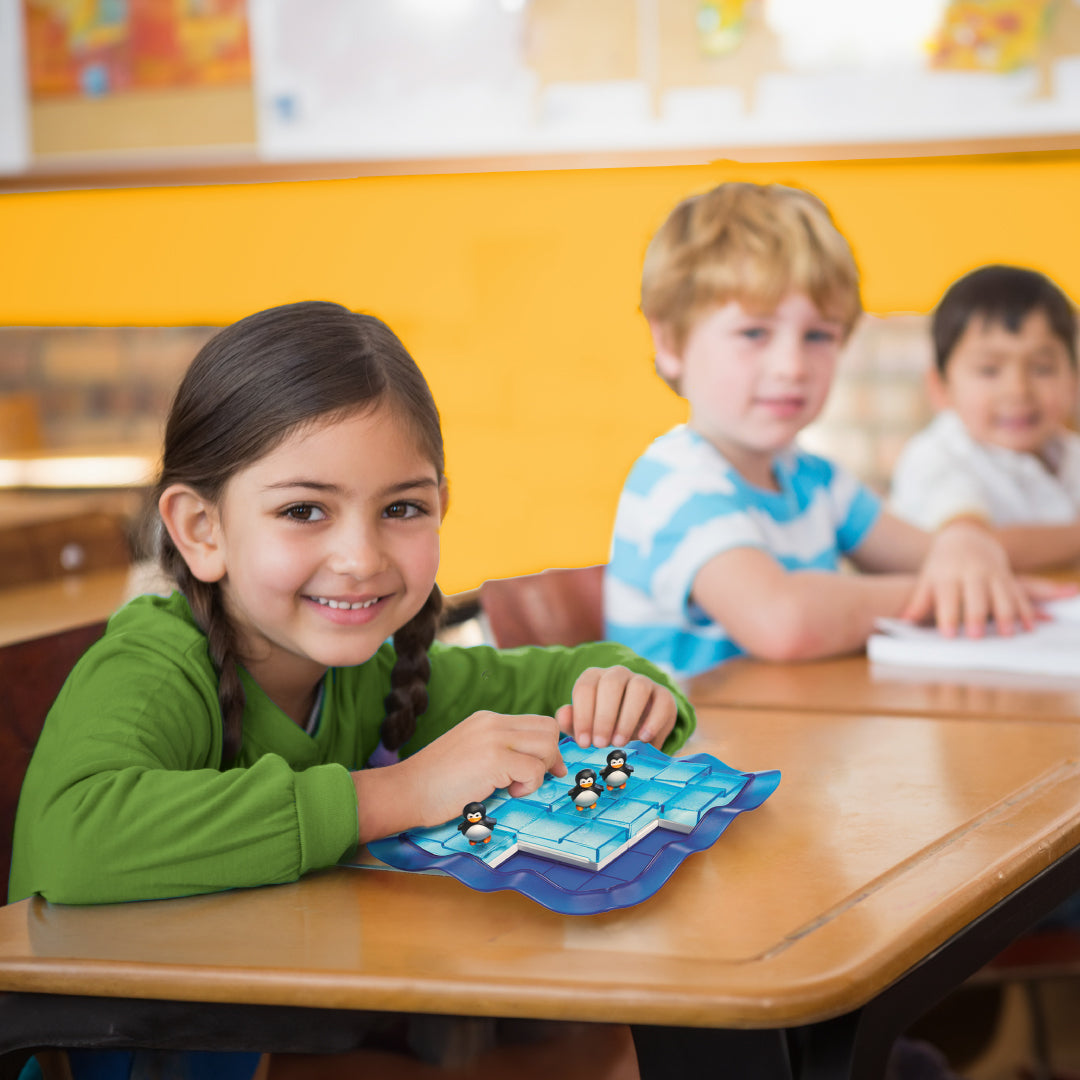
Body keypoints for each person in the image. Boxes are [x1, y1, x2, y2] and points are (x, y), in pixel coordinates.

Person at [10, 301, 693, 1080]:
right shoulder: (153, 665)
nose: (361, 557)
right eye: (304, 510)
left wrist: (633, 689)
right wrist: (395, 793)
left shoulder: (373, 672)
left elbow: (555, 677)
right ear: (201, 529)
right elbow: (77, 841)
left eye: (401, 508)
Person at [604, 182, 1066, 683]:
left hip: (784, 739)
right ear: (670, 341)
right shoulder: (675, 481)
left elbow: (927, 550)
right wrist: (943, 591)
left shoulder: (813, 479)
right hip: (683, 756)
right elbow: (782, 621)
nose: (792, 365)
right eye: (754, 333)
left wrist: (965, 549)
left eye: (818, 335)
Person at [890, 264, 1080, 570]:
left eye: (1042, 368)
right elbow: (975, 546)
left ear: (1074, 381)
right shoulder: (935, 456)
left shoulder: (1069, 452)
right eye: (989, 370)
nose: (1018, 390)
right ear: (940, 388)